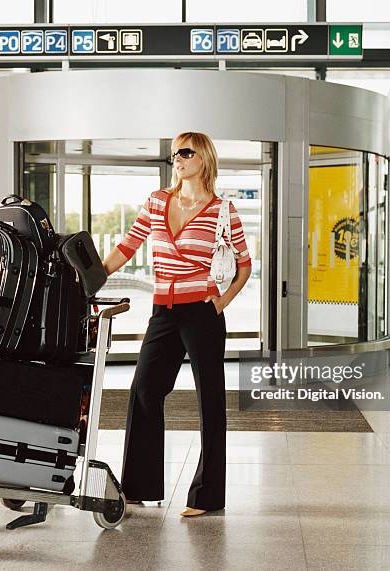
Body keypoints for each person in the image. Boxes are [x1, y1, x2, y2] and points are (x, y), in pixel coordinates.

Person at [102, 132, 252, 517]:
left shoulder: (223, 210)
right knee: (144, 391)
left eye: (184, 152)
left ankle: (206, 497)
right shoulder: (157, 201)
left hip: (202, 313)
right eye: (174, 154)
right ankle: (138, 487)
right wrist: (91, 277)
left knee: (210, 401)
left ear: (202, 157)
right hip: (163, 312)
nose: (177, 159)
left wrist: (221, 303)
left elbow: (244, 263)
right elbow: (127, 247)